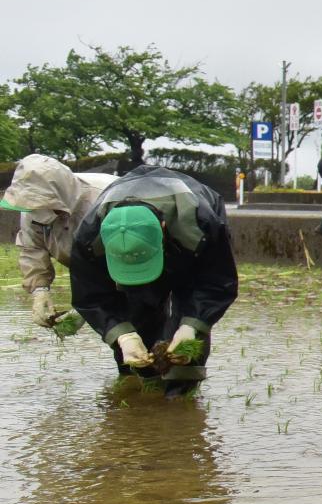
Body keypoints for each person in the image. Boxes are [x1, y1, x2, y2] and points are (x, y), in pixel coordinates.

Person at [68, 164, 239, 395]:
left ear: (163, 227)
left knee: (187, 321)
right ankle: (143, 381)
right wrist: (124, 336)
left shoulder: (202, 223)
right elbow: (91, 295)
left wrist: (190, 327)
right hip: (151, 233)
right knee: (138, 308)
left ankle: (181, 393)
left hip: (188, 245)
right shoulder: (88, 238)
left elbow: (215, 283)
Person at [1, 154, 113, 327]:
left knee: (143, 327)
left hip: (135, 266)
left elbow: (121, 260)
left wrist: (90, 304)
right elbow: (32, 249)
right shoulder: (30, 208)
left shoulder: (104, 202)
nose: (35, 210)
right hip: (86, 267)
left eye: (43, 204)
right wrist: (40, 290)